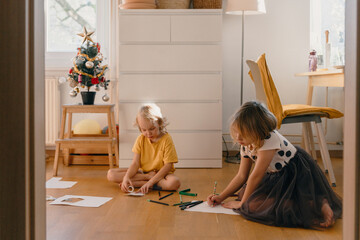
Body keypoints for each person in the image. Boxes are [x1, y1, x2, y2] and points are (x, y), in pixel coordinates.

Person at [207, 101, 342, 228]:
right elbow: (242, 176)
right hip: (275, 175)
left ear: (258, 131)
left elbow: (256, 175)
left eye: (243, 133)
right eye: (236, 132)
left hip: (294, 175)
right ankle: (307, 204)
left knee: (251, 205)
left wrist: (242, 204)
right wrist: (221, 197)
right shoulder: (246, 143)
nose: (238, 137)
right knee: (246, 197)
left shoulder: (269, 140)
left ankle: (315, 204)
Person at [107, 104, 181, 194]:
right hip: (144, 173)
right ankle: (146, 180)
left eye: (152, 129)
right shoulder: (141, 139)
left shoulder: (166, 139)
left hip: (163, 175)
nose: (148, 133)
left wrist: (151, 182)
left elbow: (168, 166)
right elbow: (135, 163)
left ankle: (142, 184)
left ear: (159, 123)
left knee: (174, 183)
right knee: (111, 174)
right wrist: (127, 177)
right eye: (144, 130)